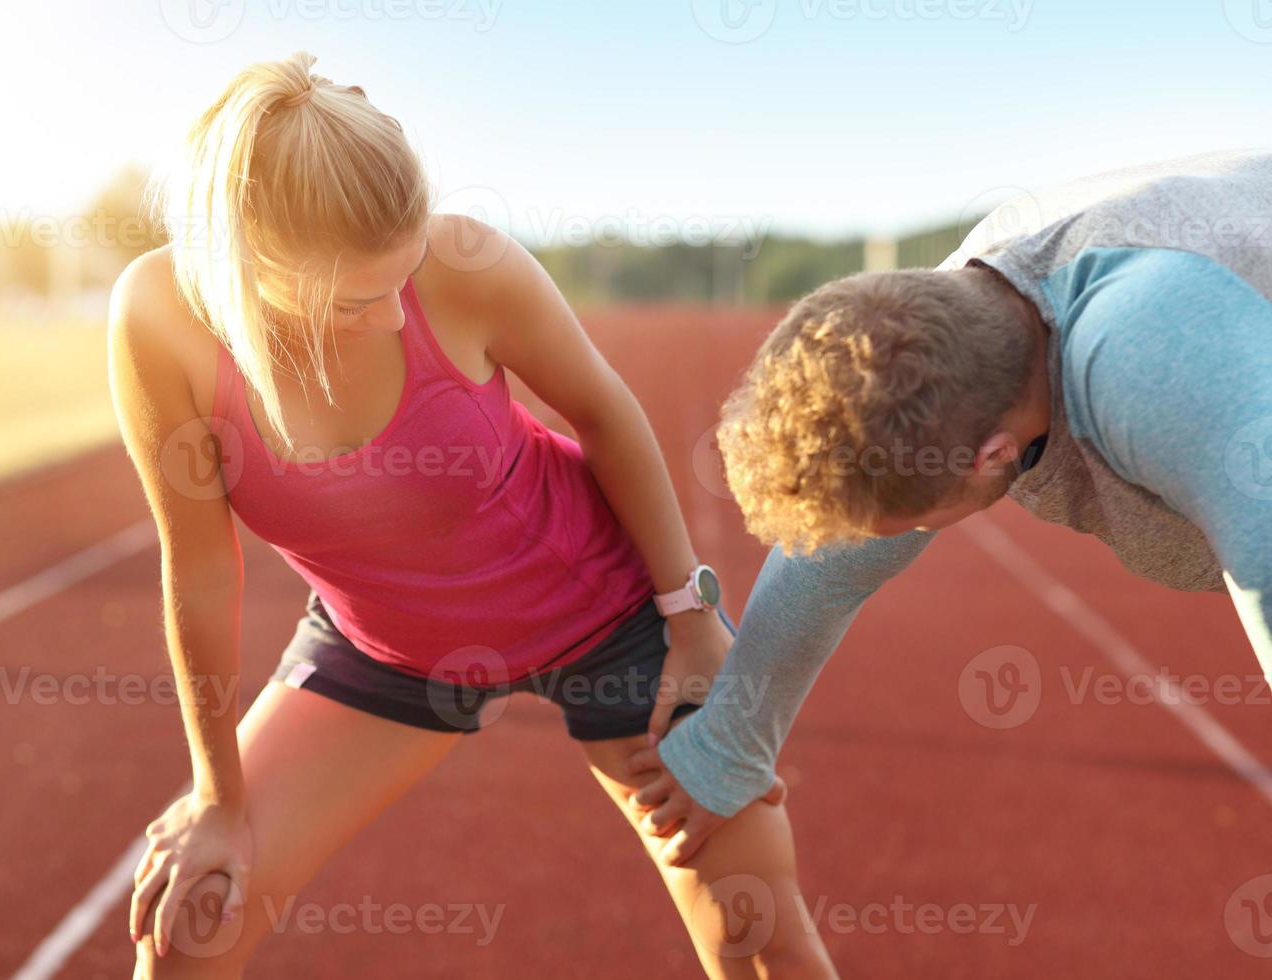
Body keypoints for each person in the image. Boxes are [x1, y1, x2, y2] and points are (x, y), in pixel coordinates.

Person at [109, 52, 837, 978]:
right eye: (353, 301)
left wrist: (689, 621)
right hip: (385, 649)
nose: (387, 318)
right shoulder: (157, 319)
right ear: (248, 264)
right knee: (188, 925)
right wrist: (217, 797)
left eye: (399, 279)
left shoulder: (469, 264)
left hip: (611, 614)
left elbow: (605, 414)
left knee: (754, 929)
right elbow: (201, 568)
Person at [631, 150, 1272, 865]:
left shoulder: (1157, 362)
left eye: (903, 525)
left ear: (994, 456)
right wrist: (728, 746)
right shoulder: (947, 332)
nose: (868, 542)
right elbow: (830, 569)